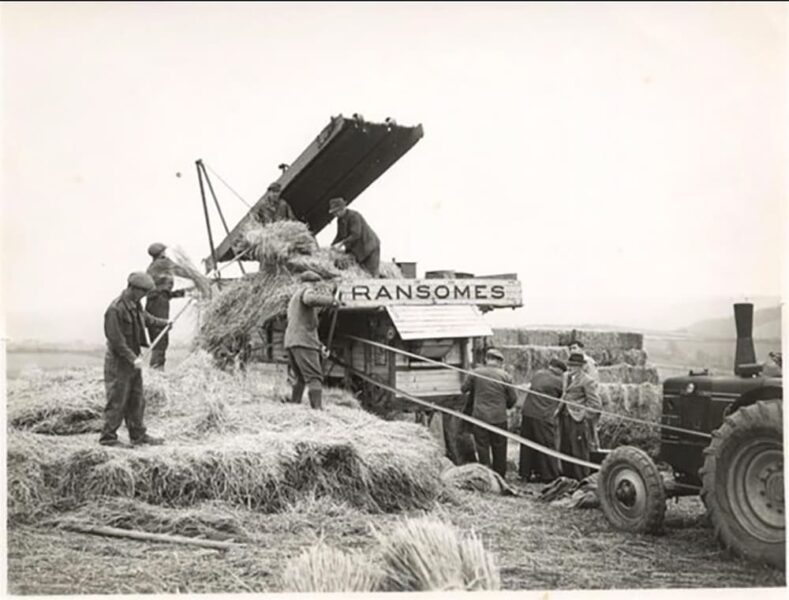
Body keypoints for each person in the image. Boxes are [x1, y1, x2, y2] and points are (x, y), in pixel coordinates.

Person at [101, 272, 170, 447]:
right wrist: (133, 358)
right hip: (119, 363)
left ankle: (138, 436)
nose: (145, 296)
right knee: (117, 401)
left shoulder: (136, 305)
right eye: (143, 292)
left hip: (133, 362)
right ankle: (108, 438)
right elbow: (116, 341)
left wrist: (164, 323)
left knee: (137, 399)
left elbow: (147, 319)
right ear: (132, 288)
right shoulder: (115, 309)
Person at [284, 270, 342, 410]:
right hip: (303, 342)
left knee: (301, 378)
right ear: (313, 283)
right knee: (315, 377)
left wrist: (319, 346)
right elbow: (309, 298)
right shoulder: (306, 291)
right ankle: (318, 411)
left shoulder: (293, 300)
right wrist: (333, 301)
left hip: (292, 342)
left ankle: (294, 405)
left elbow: (305, 326)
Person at [461, 348, 518, 478]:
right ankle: (500, 477)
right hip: (499, 418)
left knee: (482, 448)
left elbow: (463, 389)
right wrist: (506, 406)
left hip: (480, 417)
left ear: (487, 359)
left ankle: (486, 477)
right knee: (500, 449)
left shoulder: (476, 373)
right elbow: (513, 399)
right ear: (499, 362)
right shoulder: (505, 376)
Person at [554, 352, 602, 480]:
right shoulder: (565, 377)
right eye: (569, 365)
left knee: (578, 450)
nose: (570, 368)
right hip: (564, 417)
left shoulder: (588, 381)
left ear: (581, 367)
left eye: (574, 366)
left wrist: (583, 415)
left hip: (577, 421)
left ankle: (581, 479)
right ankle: (567, 479)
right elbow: (565, 394)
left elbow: (595, 404)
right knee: (565, 448)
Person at [519, 358, 566, 483]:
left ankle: (525, 473)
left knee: (527, 444)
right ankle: (549, 475)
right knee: (546, 444)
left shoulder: (538, 374)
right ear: (559, 370)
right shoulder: (559, 381)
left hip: (527, 413)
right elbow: (564, 397)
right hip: (543, 416)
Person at [145, 242, 189, 369]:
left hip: (154, 302)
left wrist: (184, 293)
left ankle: (157, 368)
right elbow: (182, 271)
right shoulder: (162, 263)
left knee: (158, 336)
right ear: (162, 253)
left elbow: (165, 292)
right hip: (158, 303)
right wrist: (198, 277)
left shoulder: (153, 266)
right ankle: (157, 369)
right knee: (161, 336)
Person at [328, 197, 381, 277]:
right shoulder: (340, 220)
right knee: (359, 271)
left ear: (342, 209)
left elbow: (356, 234)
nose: (335, 215)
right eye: (334, 213)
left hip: (369, 246)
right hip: (357, 249)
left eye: (336, 212)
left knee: (371, 273)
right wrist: (332, 245)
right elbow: (340, 235)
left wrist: (342, 243)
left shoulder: (354, 216)